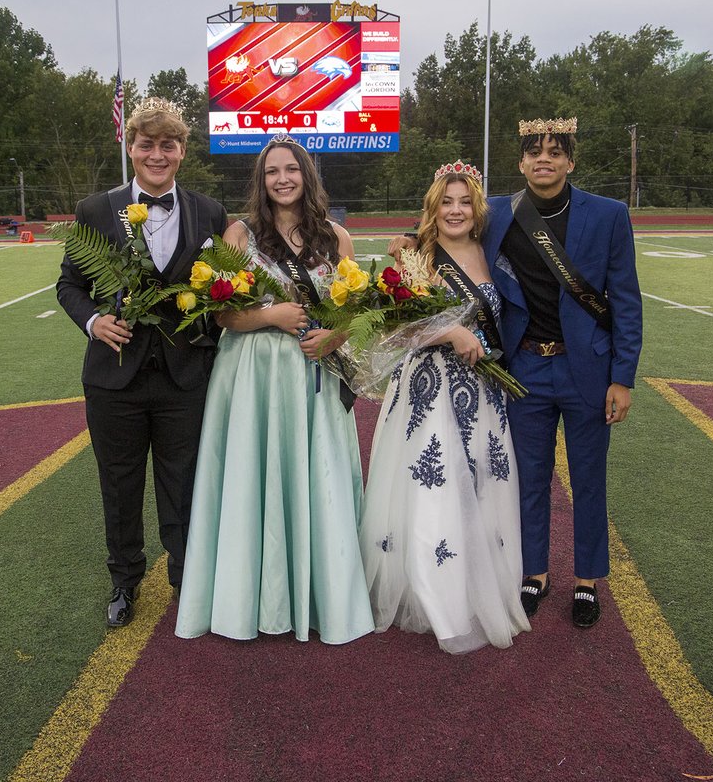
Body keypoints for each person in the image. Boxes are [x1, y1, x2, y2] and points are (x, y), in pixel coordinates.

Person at [175, 136, 374, 645]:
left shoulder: (337, 238)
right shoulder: (238, 235)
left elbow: (350, 314)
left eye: (291, 169)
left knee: (317, 476)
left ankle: (321, 597)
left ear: (307, 175)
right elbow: (220, 313)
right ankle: (249, 599)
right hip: (252, 376)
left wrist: (334, 335)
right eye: (271, 172)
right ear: (260, 181)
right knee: (253, 475)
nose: (282, 179)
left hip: (314, 375)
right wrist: (272, 315)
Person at [56, 98, 227, 628]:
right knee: (120, 483)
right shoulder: (94, 211)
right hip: (115, 379)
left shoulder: (210, 212)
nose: (158, 154)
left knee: (185, 483)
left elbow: (225, 287)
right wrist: (93, 321)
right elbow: (69, 284)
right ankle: (124, 581)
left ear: (181, 152)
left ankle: (185, 578)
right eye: (147, 144)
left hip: (185, 378)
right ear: (130, 148)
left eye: (168, 145)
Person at [361, 162, 530, 653]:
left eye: (464, 202)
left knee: (480, 487)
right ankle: (435, 597)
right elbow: (397, 328)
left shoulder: (493, 253)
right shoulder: (417, 256)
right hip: (429, 392)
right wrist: (451, 331)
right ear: (432, 209)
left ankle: (481, 590)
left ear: (477, 209)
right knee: (434, 487)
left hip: (484, 393)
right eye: (446, 202)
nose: (455, 211)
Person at [486, 118, 643, 628]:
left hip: (588, 371)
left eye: (555, 152)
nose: (544, 160)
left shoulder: (608, 215)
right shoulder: (498, 213)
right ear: (521, 162)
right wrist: (406, 241)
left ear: (570, 161)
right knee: (528, 478)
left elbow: (625, 300)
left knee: (588, 479)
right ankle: (535, 573)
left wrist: (623, 376)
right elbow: (444, 219)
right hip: (526, 364)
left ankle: (586, 580)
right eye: (534, 152)